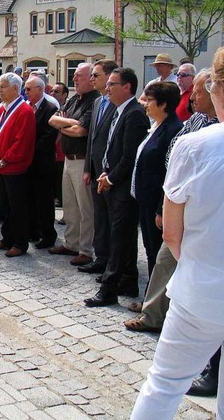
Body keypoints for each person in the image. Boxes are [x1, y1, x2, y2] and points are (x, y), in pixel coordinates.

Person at [129, 45, 224, 419]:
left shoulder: (194, 145)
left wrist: (205, 264)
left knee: (165, 383)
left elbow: (172, 233)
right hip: (205, 283)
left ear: (219, 89)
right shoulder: (194, 142)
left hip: (201, 289)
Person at [124, 68, 218, 334]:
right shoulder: (194, 121)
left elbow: (171, 169)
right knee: (160, 259)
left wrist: (161, 208)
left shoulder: (183, 127)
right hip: (167, 202)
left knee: (168, 260)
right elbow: (174, 165)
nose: (192, 98)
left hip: (189, 209)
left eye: (198, 92)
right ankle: (155, 310)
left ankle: (163, 314)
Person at [84, 67, 150, 307]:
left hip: (123, 187)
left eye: (112, 84)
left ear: (127, 87)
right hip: (111, 181)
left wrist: (110, 178)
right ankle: (128, 279)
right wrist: (104, 171)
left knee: (120, 237)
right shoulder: (117, 110)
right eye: (108, 84)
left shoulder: (134, 114)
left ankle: (108, 289)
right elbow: (111, 146)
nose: (107, 88)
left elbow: (129, 157)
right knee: (122, 235)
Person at [48, 63, 99, 266]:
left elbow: (82, 131)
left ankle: (86, 249)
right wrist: (71, 124)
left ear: (91, 78)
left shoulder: (94, 101)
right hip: (69, 159)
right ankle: (71, 243)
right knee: (70, 206)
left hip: (82, 160)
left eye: (79, 76)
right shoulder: (73, 100)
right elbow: (53, 120)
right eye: (74, 76)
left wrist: (66, 124)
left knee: (85, 207)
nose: (75, 79)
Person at [131, 82, 182, 284]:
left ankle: (155, 305)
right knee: (150, 250)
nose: (145, 104)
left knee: (157, 254)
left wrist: (161, 209)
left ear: (163, 104)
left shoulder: (174, 130)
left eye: (150, 100)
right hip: (145, 200)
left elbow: (171, 173)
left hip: (157, 204)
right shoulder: (156, 127)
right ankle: (151, 300)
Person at [0, 72, 36, 257]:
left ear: (16, 89)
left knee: (17, 207)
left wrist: (4, 160)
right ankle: (7, 238)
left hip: (14, 167)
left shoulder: (24, 111)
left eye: (3, 85)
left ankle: (20, 243)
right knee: (5, 205)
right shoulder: (1, 108)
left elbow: (21, 142)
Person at [80, 59, 119, 275]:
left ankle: (113, 263)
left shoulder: (116, 104)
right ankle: (101, 258)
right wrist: (87, 167)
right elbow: (92, 139)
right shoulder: (98, 102)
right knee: (100, 218)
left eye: (96, 75)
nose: (92, 79)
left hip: (110, 173)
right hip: (95, 170)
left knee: (112, 220)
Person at [24, 75, 58, 249]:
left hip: (42, 162)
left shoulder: (50, 108)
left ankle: (48, 235)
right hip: (28, 162)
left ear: (40, 89)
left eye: (29, 89)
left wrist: (29, 149)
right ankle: (33, 230)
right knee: (30, 197)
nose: (26, 92)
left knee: (44, 200)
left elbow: (49, 136)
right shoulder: (27, 107)